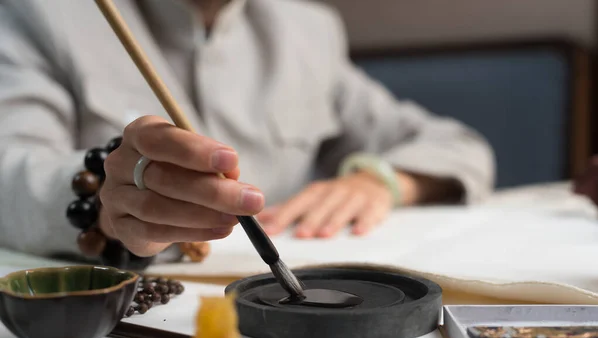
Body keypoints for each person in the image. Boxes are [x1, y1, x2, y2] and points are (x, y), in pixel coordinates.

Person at [0, 0, 495, 267]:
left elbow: (460, 146)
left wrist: (377, 182)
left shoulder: (307, 28)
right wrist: (105, 204)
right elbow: (9, 173)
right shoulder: (43, 12)